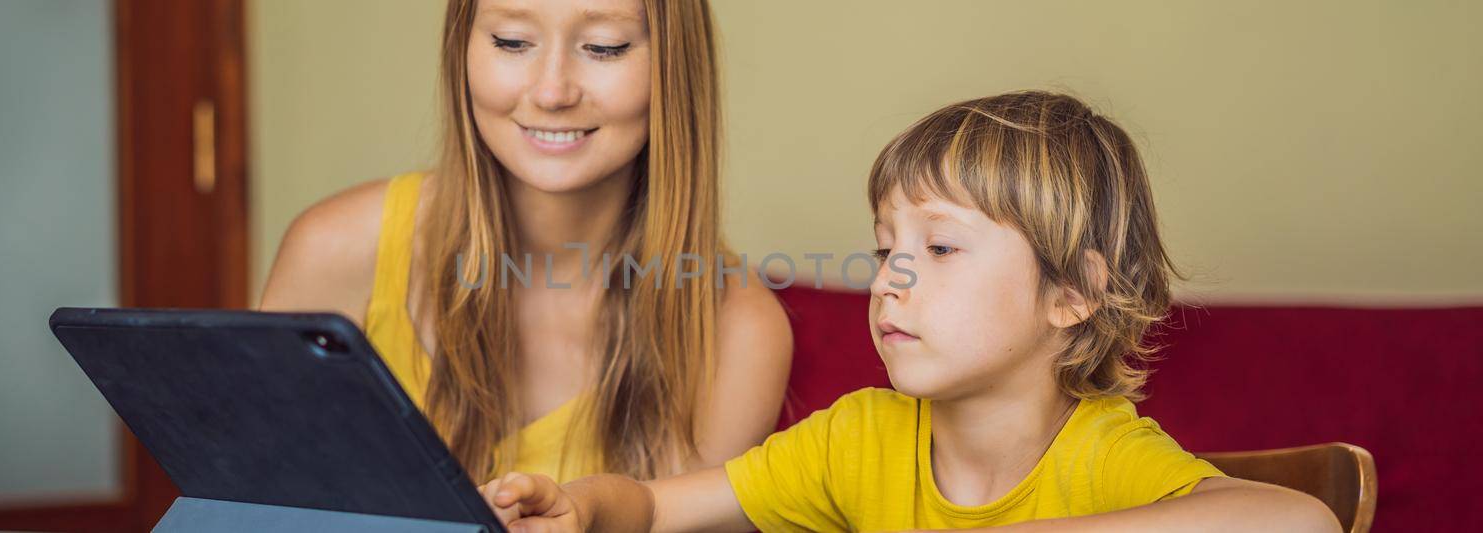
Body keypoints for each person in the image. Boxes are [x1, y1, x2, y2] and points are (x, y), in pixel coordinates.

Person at [478, 91, 1340, 532]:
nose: (890, 276)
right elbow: (660, 507)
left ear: (1072, 291)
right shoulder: (857, 439)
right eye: (886, 246)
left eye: (941, 248)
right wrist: (583, 507)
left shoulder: (1102, 455)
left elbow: (1300, 519)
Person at [259, 0, 792, 483]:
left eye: (604, 48)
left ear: (675, 69)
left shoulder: (737, 332)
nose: (551, 92)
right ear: (461, 48)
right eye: (512, 42)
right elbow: (252, 494)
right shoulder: (335, 249)